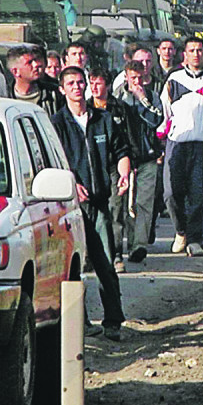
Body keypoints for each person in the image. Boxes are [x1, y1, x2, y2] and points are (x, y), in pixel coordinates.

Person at [51, 66, 131, 341]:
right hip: (68, 207)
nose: (76, 87)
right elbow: (51, 161)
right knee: (72, 268)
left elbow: (120, 150)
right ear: (62, 89)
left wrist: (124, 173)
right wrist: (71, 181)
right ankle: (78, 323)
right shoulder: (56, 124)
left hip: (98, 204)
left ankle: (113, 321)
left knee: (106, 262)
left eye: (80, 82)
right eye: (70, 83)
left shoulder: (103, 119)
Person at [159, 36, 203, 257]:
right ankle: (181, 231)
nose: (196, 54)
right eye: (192, 50)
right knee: (171, 193)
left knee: (199, 195)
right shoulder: (174, 80)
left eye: (199, 50)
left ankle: (194, 239)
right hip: (177, 143)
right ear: (185, 55)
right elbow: (164, 112)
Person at [114, 58, 164, 263]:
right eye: (133, 78)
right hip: (124, 159)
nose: (137, 82)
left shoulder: (152, 96)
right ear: (126, 77)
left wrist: (143, 100)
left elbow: (156, 120)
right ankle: (124, 243)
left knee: (144, 202)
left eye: (140, 78)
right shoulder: (117, 98)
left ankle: (139, 245)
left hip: (147, 157)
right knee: (125, 205)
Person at [88, 67, 137, 272]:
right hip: (92, 167)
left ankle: (116, 254)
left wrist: (128, 167)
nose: (95, 87)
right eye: (92, 83)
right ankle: (92, 254)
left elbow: (128, 140)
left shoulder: (120, 108)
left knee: (116, 211)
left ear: (107, 85)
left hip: (115, 167)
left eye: (99, 83)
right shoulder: (85, 109)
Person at [5, 45, 60, 116]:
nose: (36, 65)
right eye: (29, 62)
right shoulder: (4, 98)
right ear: (16, 72)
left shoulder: (53, 94)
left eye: (35, 60)